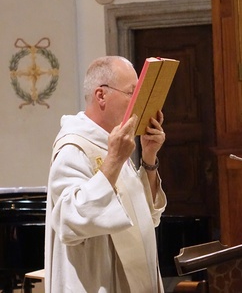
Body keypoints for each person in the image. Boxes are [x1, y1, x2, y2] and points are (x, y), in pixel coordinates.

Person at [45, 56, 167, 292]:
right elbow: (69, 220)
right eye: (133, 93)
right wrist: (114, 160)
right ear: (101, 95)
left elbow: (147, 215)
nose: (139, 103)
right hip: (98, 281)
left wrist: (149, 158)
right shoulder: (74, 148)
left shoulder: (112, 142)